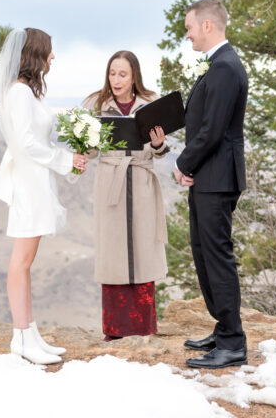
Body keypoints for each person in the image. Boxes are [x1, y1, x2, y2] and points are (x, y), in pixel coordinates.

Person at [0, 27, 88, 365]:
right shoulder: (19, 93)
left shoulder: (29, 93)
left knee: (27, 261)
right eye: (49, 50)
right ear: (35, 53)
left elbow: (37, 141)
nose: (53, 56)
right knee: (21, 261)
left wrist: (69, 158)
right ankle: (20, 336)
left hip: (36, 179)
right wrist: (65, 160)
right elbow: (27, 144)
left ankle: (29, 334)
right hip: (28, 182)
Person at [173, 0, 249, 369]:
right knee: (204, 252)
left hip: (216, 177)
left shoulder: (225, 67)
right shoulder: (220, 65)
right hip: (209, 175)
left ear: (207, 26)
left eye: (189, 27)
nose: (186, 34)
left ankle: (233, 342)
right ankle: (223, 329)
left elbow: (213, 130)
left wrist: (184, 162)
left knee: (217, 257)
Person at [82, 51, 170, 341]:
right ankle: (115, 329)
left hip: (142, 182)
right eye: (112, 73)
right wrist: (82, 143)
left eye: (122, 74)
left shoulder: (150, 104)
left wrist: (158, 144)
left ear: (134, 77)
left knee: (143, 250)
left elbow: (159, 151)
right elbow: (89, 152)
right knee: (113, 252)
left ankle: (143, 326)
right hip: (111, 184)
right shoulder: (97, 105)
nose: (116, 80)